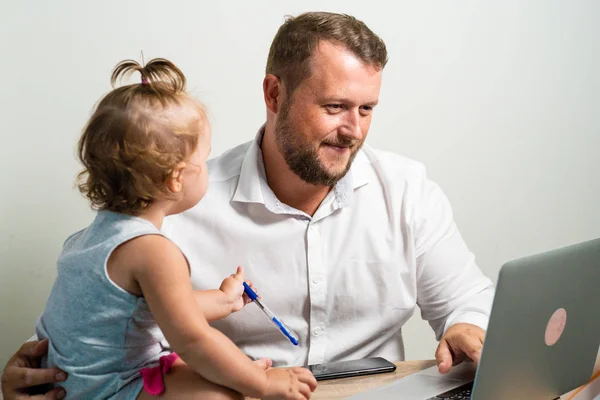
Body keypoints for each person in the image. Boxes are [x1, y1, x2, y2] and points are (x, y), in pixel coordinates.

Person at [2, 11, 494, 399]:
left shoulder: (407, 190)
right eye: (335, 107)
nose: (355, 130)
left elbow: (467, 300)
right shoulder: (174, 202)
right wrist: (35, 371)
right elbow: (96, 319)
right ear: (274, 93)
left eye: (367, 109)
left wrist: (468, 324)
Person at [3, 58, 317, 400]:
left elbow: (163, 306)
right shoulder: (154, 252)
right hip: (109, 388)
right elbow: (193, 338)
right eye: (204, 158)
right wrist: (262, 384)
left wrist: (224, 299)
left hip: (73, 382)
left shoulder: (92, 238)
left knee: (216, 375)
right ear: (177, 177)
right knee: (222, 393)